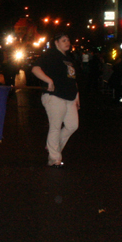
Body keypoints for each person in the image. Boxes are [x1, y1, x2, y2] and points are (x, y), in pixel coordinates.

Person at [31, 33, 80, 168]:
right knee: (55, 127)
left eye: (68, 39)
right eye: (63, 40)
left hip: (69, 97)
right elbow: (35, 69)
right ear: (56, 43)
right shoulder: (50, 55)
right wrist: (49, 80)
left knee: (72, 125)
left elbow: (72, 78)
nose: (67, 42)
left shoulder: (69, 58)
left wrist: (77, 95)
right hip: (54, 96)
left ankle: (52, 145)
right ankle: (54, 159)